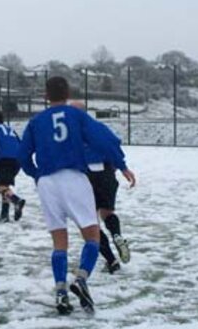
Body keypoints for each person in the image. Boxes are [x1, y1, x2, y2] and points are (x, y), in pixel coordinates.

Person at [18, 77, 129, 315]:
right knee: (91, 235)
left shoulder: (36, 121)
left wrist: (36, 175)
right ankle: (81, 279)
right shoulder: (77, 115)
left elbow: (22, 155)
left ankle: (60, 292)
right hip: (74, 178)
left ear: (45, 96)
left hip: (48, 183)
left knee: (59, 242)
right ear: (67, 93)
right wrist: (121, 164)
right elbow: (104, 139)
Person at [69, 102, 136, 274]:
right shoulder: (99, 127)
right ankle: (117, 235)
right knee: (107, 213)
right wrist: (123, 167)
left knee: (91, 223)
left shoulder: (70, 132)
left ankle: (111, 261)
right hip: (106, 173)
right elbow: (113, 145)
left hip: (85, 177)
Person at [0, 111, 26, 222]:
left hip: (4, 158)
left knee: (0, 187)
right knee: (5, 186)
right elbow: (20, 142)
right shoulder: (9, 129)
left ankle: (17, 201)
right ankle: (4, 215)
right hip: (17, 159)